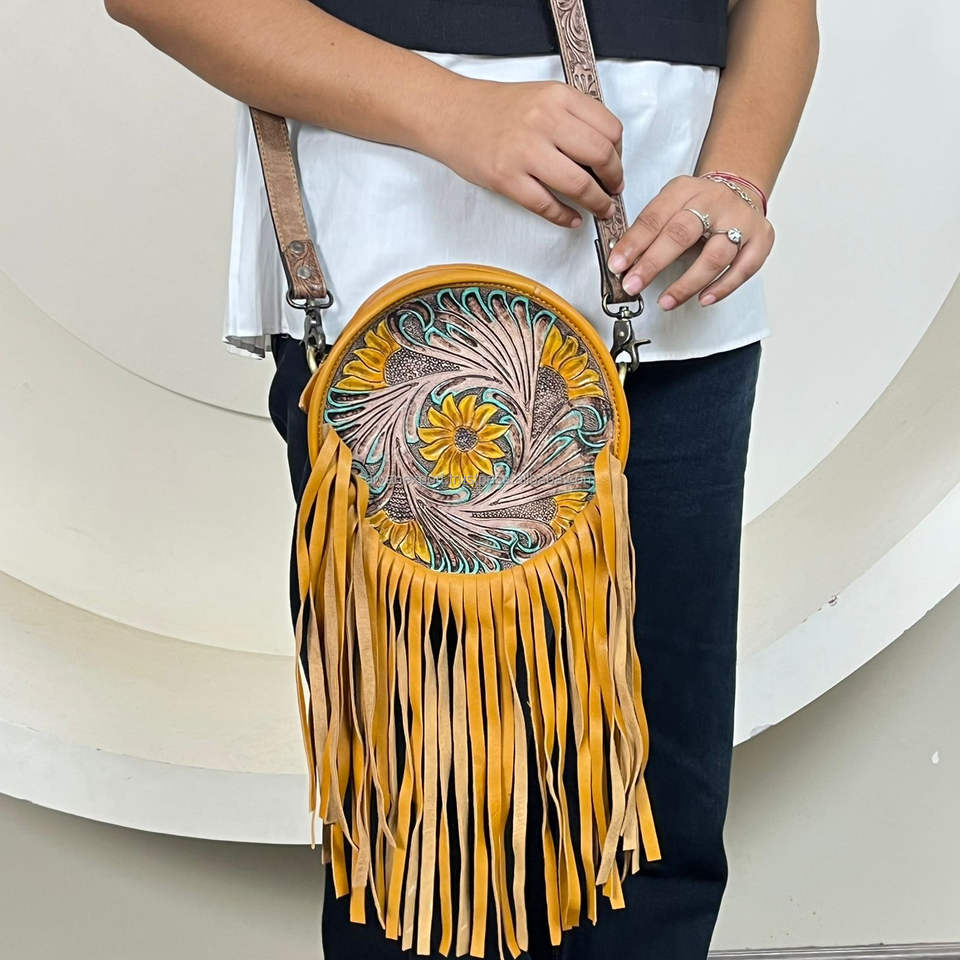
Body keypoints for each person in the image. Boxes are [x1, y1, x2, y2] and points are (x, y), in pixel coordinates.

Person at [104, 1, 820, 958]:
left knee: (655, 813)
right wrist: (454, 109)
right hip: (404, 301)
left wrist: (737, 177)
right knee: (431, 833)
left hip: (672, 301)